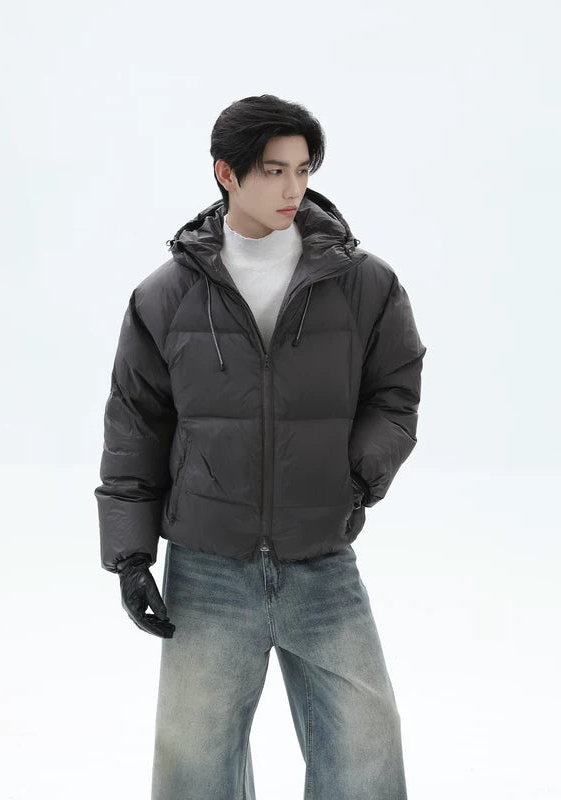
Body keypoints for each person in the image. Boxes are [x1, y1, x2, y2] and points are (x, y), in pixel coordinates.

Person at [94, 93, 427, 800]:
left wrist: (354, 481)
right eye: (274, 170)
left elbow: (395, 391)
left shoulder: (363, 283)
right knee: (194, 769)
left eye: (303, 170)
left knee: (366, 751)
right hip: (207, 566)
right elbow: (136, 425)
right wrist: (130, 555)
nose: (292, 188)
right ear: (227, 174)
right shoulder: (165, 296)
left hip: (320, 560)